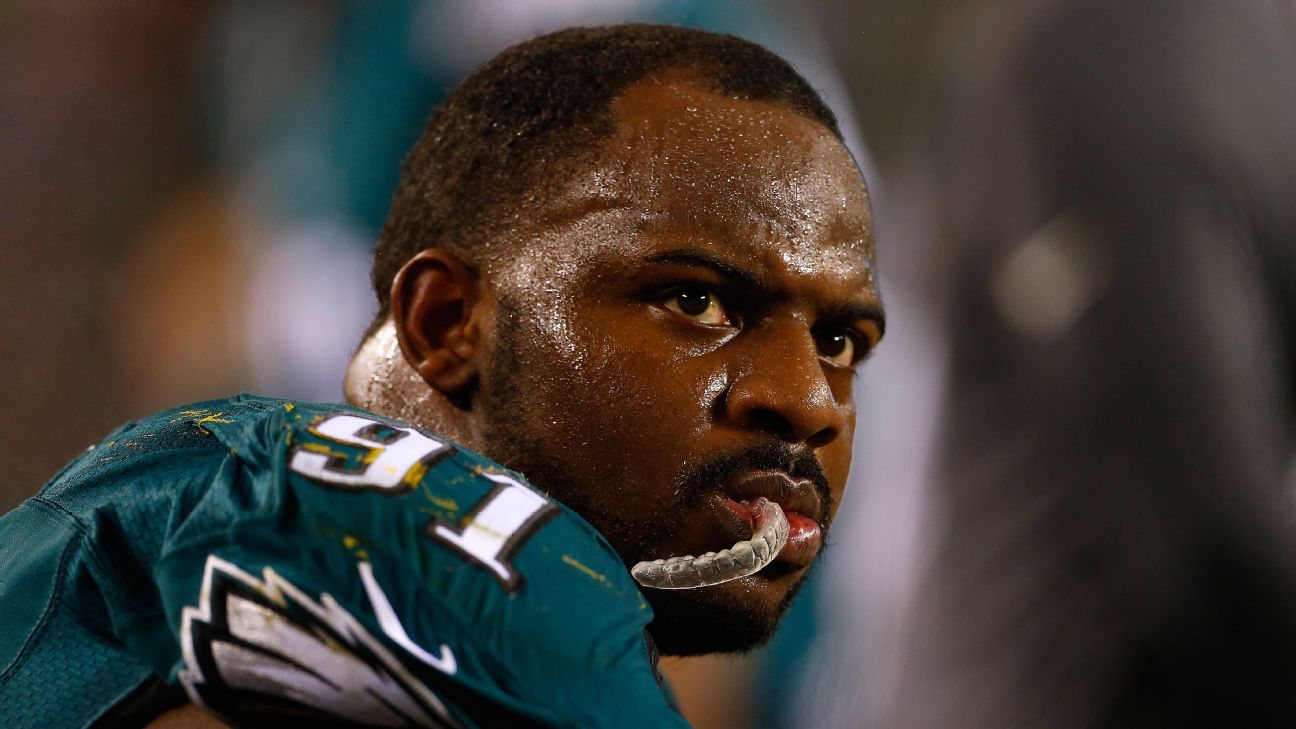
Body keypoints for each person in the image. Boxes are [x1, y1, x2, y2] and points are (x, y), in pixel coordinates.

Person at [0, 24, 883, 728]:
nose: (809, 399)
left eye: (841, 341)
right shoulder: (520, 604)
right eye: (694, 300)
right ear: (445, 322)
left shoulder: (184, 481)